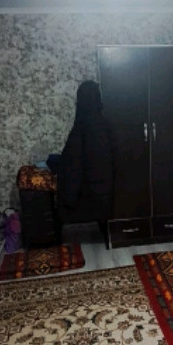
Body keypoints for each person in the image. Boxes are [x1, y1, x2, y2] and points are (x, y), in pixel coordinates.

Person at [57, 81, 114, 239]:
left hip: (89, 190)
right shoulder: (105, 124)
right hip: (107, 188)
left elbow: (72, 161)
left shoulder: (82, 126)